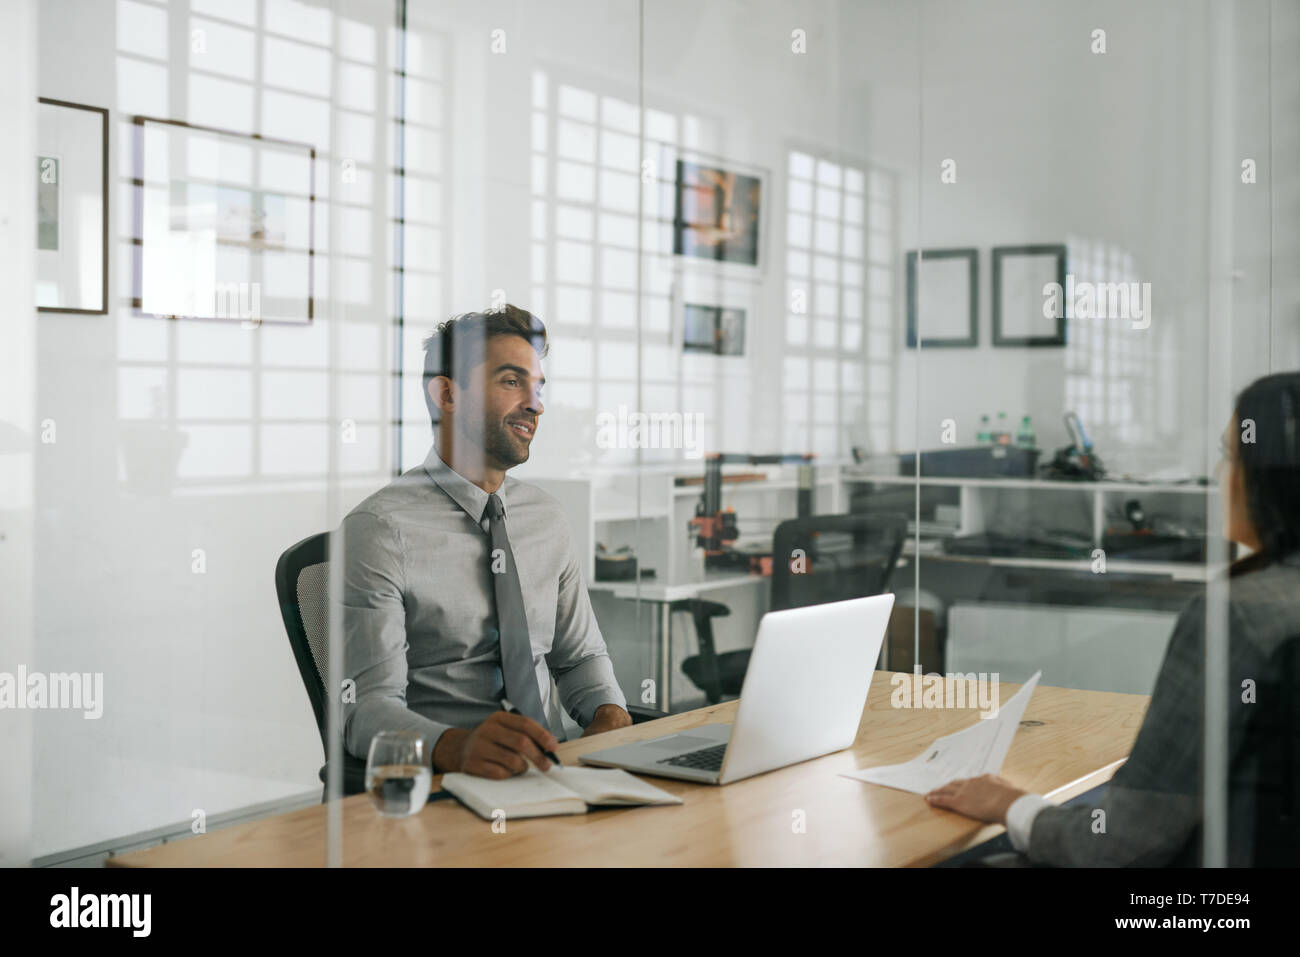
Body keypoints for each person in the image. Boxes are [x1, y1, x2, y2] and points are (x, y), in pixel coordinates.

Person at [925, 372, 1300, 865]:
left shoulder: (1240, 615)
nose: (1218, 472)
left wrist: (1010, 804)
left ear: (1271, 478)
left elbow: (1117, 846)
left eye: (1231, 454)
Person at [340, 305, 631, 779]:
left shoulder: (547, 518)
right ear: (447, 394)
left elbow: (579, 658)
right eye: (512, 382)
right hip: (448, 789)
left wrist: (609, 714)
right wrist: (456, 748)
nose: (535, 404)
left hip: (553, 777)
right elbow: (365, 712)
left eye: (538, 388)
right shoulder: (379, 530)